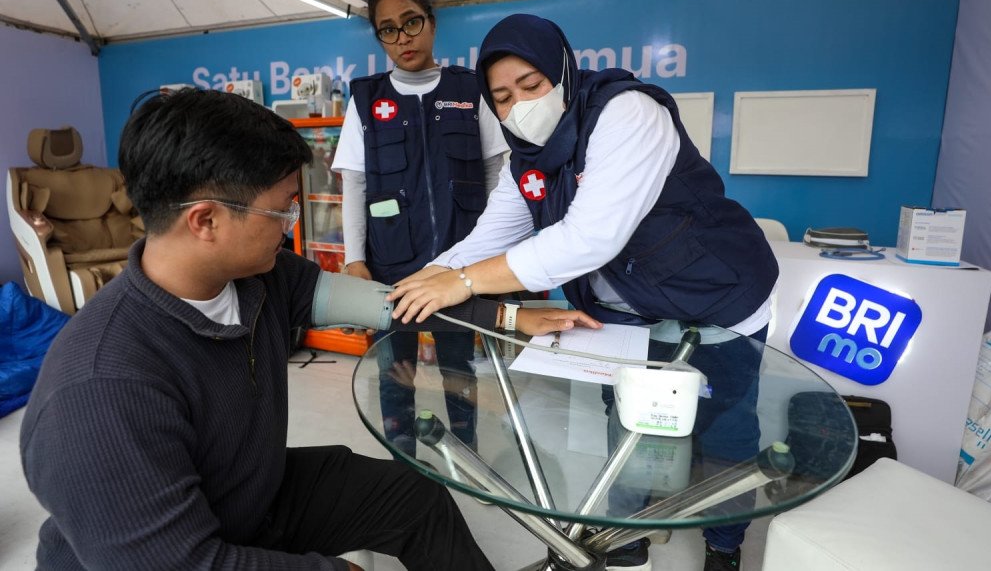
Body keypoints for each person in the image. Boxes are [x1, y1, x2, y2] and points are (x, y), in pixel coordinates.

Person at [19, 88, 597, 570]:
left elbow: (389, 305)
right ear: (206, 220)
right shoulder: (100, 388)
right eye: (282, 211)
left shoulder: (259, 277)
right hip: (162, 554)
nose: (291, 224)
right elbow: (182, 563)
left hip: (249, 495)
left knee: (414, 498)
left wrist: (508, 316)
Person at [388, 14, 780, 571]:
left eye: (531, 85)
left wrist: (465, 282)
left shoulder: (627, 114)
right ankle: (626, 533)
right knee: (627, 423)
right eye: (501, 98)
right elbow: (490, 237)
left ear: (563, 72)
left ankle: (725, 544)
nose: (519, 107)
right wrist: (425, 278)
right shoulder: (527, 158)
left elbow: (588, 240)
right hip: (627, 315)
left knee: (725, 433)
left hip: (716, 299)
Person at [332, 0, 508, 455]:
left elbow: (497, 175)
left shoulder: (470, 89)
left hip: (459, 266)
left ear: (431, 22)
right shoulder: (366, 100)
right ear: (379, 38)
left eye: (411, 22)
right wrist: (354, 260)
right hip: (390, 267)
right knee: (395, 370)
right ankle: (402, 460)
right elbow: (355, 184)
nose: (402, 38)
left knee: (459, 370)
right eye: (388, 30)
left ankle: (466, 452)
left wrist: (493, 253)